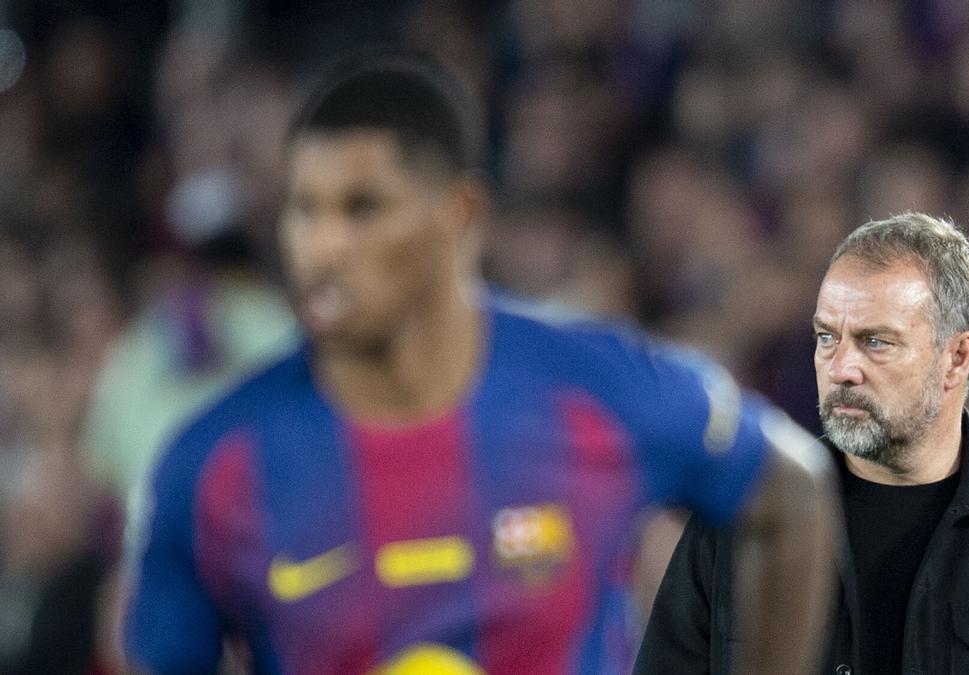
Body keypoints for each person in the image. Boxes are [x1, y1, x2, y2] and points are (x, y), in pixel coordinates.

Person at [122, 51, 839, 674]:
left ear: (460, 215)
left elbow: (789, 487)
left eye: (363, 207)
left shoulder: (594, 385)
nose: (322, 246)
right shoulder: (213, 466)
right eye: (304, 209)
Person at [635, 213, 969, 674]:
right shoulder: (739, 525)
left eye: (875, 341)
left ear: (957, 357)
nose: (840, 368)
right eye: (826, 337)